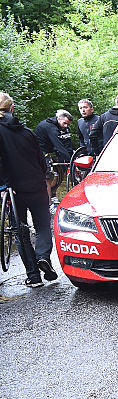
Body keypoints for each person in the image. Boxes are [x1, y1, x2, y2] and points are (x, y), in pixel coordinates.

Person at [0, 93, 58, 287]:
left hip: (13, 190)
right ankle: (43, 257)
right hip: (36, 185)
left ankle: (33, 276)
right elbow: (41, 159)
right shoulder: (26, 131)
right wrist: (45, 179)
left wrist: (4, 185)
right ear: (11, 108)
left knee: (21, 232)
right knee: (42, 225)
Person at [34, 109, 75, 195]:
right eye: (65, 123)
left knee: (59, 171)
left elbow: (67, 143)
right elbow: (59, 146)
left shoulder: (62, 127)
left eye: (68, 124)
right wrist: (71, 161)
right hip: (39, 151)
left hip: (50, 149)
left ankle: (53, 194)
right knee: (47, 177)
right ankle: (48, 203)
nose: (66, 126)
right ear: (59, 119)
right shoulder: (50, 127)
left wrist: (72, 157)